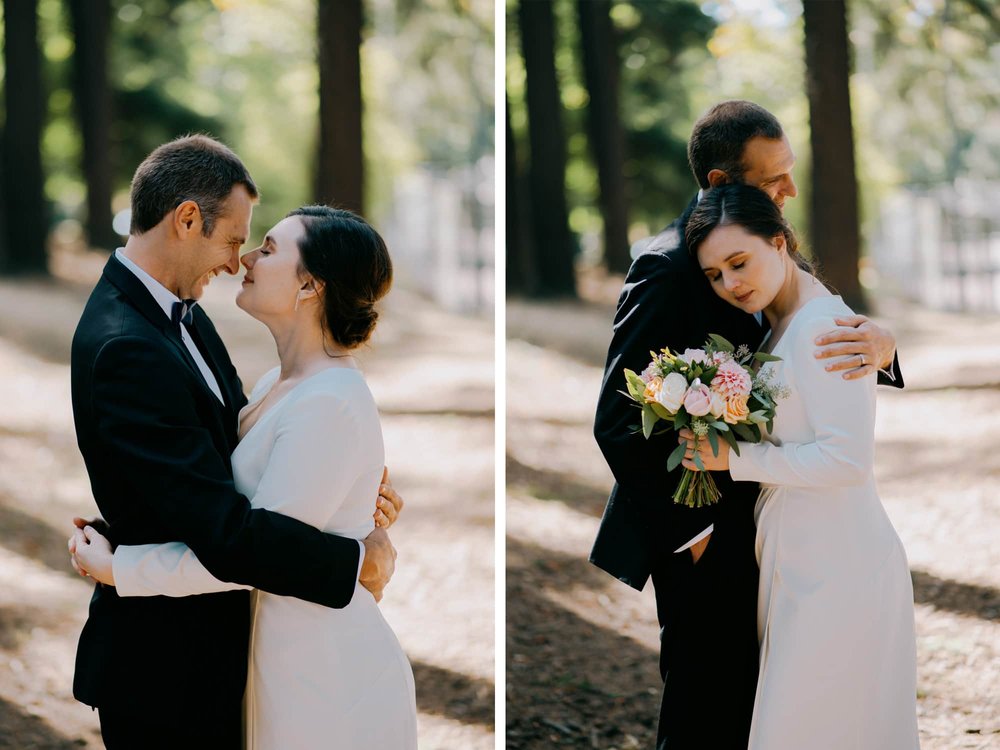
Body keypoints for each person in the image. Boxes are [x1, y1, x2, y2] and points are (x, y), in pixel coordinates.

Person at [67, 135, 402, 749]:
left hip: (272, 661)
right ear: (187, 219)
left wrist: (350, 503)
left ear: (311, 287)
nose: (237, 261)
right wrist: (354, 558)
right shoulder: (128, 345)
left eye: (261, 248)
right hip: (169, 669)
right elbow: (228, 531)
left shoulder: (185, 319)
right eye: (236, 240)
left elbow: (215, 476)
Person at [590, 101, 904, 749]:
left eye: (788, 175)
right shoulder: (670, 265)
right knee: (705, 706)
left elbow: (816, 334)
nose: (788, 190)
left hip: (784, 526)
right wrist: (694, 532)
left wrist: (887, 347)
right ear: (720, 185)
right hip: (705, 530)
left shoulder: (764, 242)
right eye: (771, 179)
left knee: (773, 708)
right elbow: (619, 419)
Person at [682, 183, 919, 749]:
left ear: (780, 241)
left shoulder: (823, 329)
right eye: (715, 275)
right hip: (797, 561)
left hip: (842, 567)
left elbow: (847, 460)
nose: (731, 284)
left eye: (739, 262)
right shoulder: (774, 324)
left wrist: (731, 457)